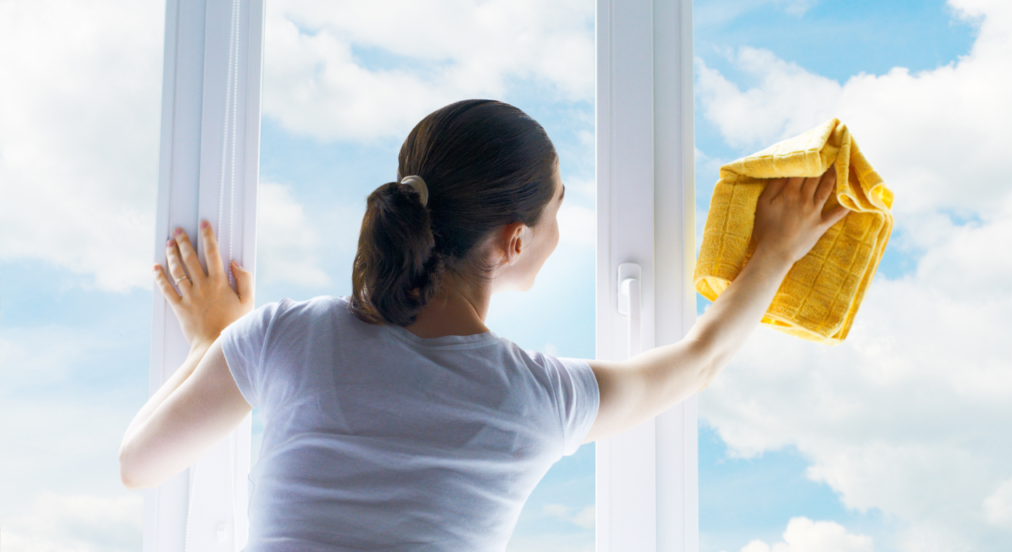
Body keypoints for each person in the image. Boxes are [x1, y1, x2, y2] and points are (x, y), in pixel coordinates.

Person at [119, 99, 849, 550]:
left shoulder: (280, 336)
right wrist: (777, 251)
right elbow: (699, 361)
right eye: (557, 208)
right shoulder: (535, 398)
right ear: (514, 240)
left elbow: (139, 465)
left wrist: (212, 339)